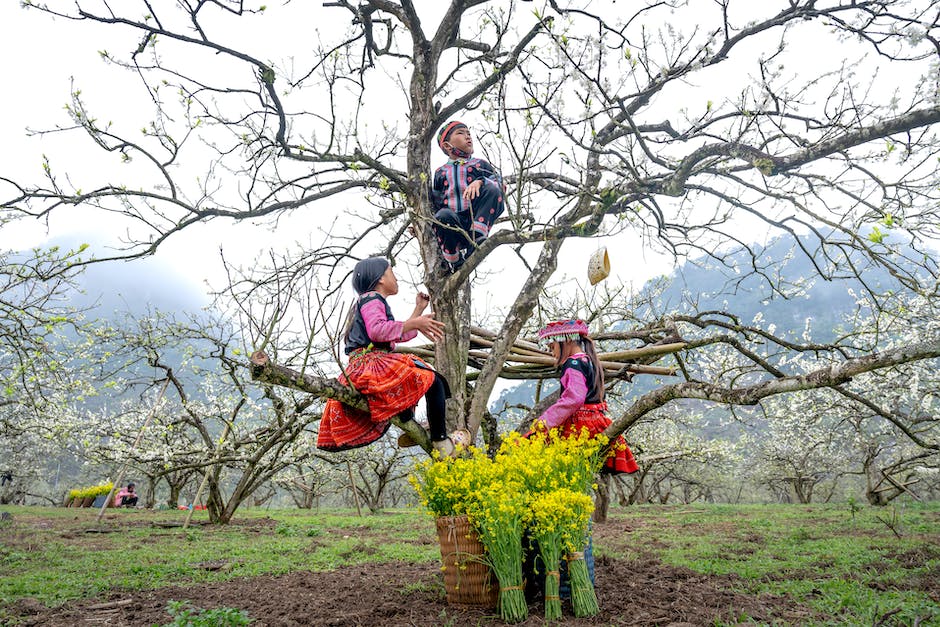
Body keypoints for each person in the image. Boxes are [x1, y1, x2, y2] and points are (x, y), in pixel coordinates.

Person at [317, 257, 471, 456]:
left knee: (423, 378)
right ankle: (441, 442)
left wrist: (418, 311)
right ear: (380, 278)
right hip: (370, 364)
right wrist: (415, 323)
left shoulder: (367, 302)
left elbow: (393, 334)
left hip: (366, 364)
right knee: (431, 379)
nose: (396, 279)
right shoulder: (372, 298)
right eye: (392, 273)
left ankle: (412, 419)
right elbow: (378, 331)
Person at [531, 319, 639, 474]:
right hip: (597, 422)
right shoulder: (590, 361)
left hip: (579, 426)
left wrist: (546, 421)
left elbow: (574, 398)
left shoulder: (573, 364)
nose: (552, 353)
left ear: (566, 340)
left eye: (552, 347)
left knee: (532, 444)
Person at [431, 121, 505, 272]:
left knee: (492, 188)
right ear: (447, 145)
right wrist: (419, 221)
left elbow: (499, 183)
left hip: (476, 217)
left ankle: (477, 237)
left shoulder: (480, 164)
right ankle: (453, 258)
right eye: (461, 133)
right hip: (453, 222)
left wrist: (480, 181)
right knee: (442, 215)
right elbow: (435, 201)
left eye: (469, 133)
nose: (468, 137)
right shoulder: (440, 172)